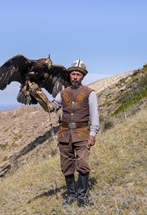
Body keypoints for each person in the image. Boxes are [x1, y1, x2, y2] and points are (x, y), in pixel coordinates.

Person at [31, 59, 99, 207]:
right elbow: (51, 107)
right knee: (66, 166)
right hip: (64, 134)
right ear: (70, 75)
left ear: (83, 77)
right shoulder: (63, 93)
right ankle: (70, 195)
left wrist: (92, 134)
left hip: (82, 134)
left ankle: (82, 197)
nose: (75, 77)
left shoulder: (90, 93)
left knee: (83, 165)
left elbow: (95, 115)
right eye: (73, 74)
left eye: (78, 75)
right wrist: (38, 95)